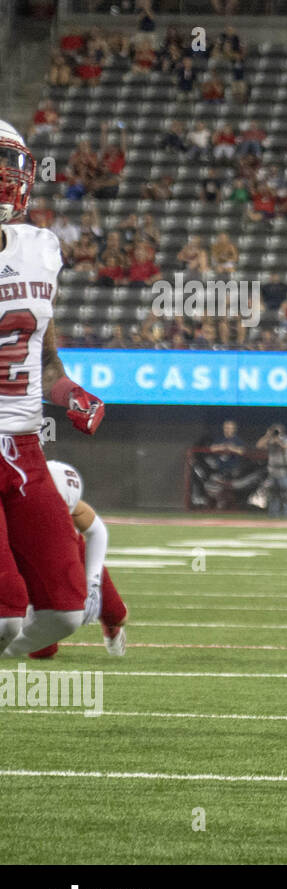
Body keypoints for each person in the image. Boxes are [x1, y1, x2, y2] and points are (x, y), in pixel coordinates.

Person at [0, 119, 108, 658]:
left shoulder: (39, 247)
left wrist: (67, 391)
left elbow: (42, 350)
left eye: (10, 161)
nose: (6, 174)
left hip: (23, 446)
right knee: (3, 612)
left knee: (63, 612)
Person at [15, 460, 127, 659]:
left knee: (117, 614)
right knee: (41, 651)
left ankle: (111, 627)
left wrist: (93, 583)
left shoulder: (63, 496)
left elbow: (97, 531)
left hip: (69, 550)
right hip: (32, 557)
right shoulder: (16, 499)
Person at [257, 424, 287, 518]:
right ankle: (273, 514)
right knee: (272, 494)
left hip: (283, 470)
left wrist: (278, 441)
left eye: (277, 431)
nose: (276, 433)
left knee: (286, 493)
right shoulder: (269, 440)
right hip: (272, 470)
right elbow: (259, 446)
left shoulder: (286, 440)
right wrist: (267, 436)